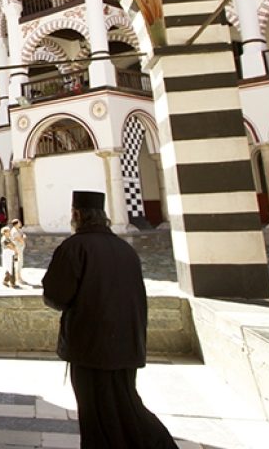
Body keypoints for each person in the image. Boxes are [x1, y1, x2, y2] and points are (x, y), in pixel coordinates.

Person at [42, 190, 176, 448]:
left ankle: (160, 444)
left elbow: (55, 296)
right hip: (127, 346)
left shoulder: (75, 247)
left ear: (77, 215)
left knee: (97, 415)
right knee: (122, 405)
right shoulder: (125, 249)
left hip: (91, 349)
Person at [9, 219, 27, 285]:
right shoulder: (14, 231)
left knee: (20, 262)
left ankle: (19, 277)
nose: (20, 223)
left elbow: (22, 235)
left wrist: (23, 237)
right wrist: (23, 240)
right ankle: (18, 277)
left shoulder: (19, 229)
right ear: (16, 224)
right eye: (19, 222)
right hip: (17, 248)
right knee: (19, 262)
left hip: (20, 247)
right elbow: (19, 239)